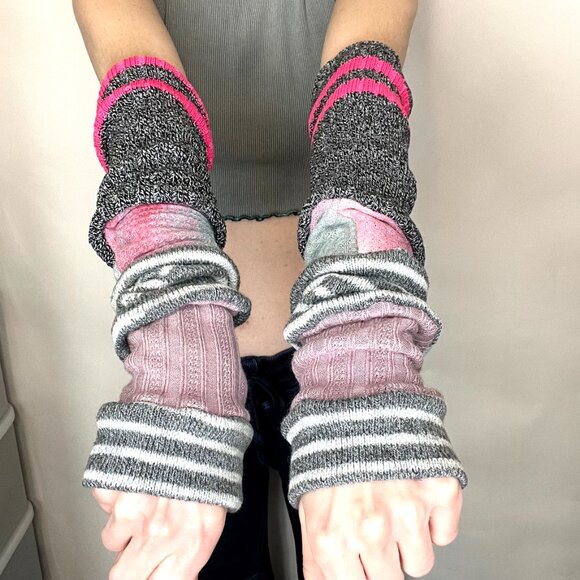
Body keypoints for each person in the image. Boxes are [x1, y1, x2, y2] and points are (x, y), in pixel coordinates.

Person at [72, 0, 468, 578]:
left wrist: (358, 345)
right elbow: (125, 45)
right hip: (186, 356)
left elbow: (365, 65)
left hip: (320, 345)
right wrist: (179, 331)